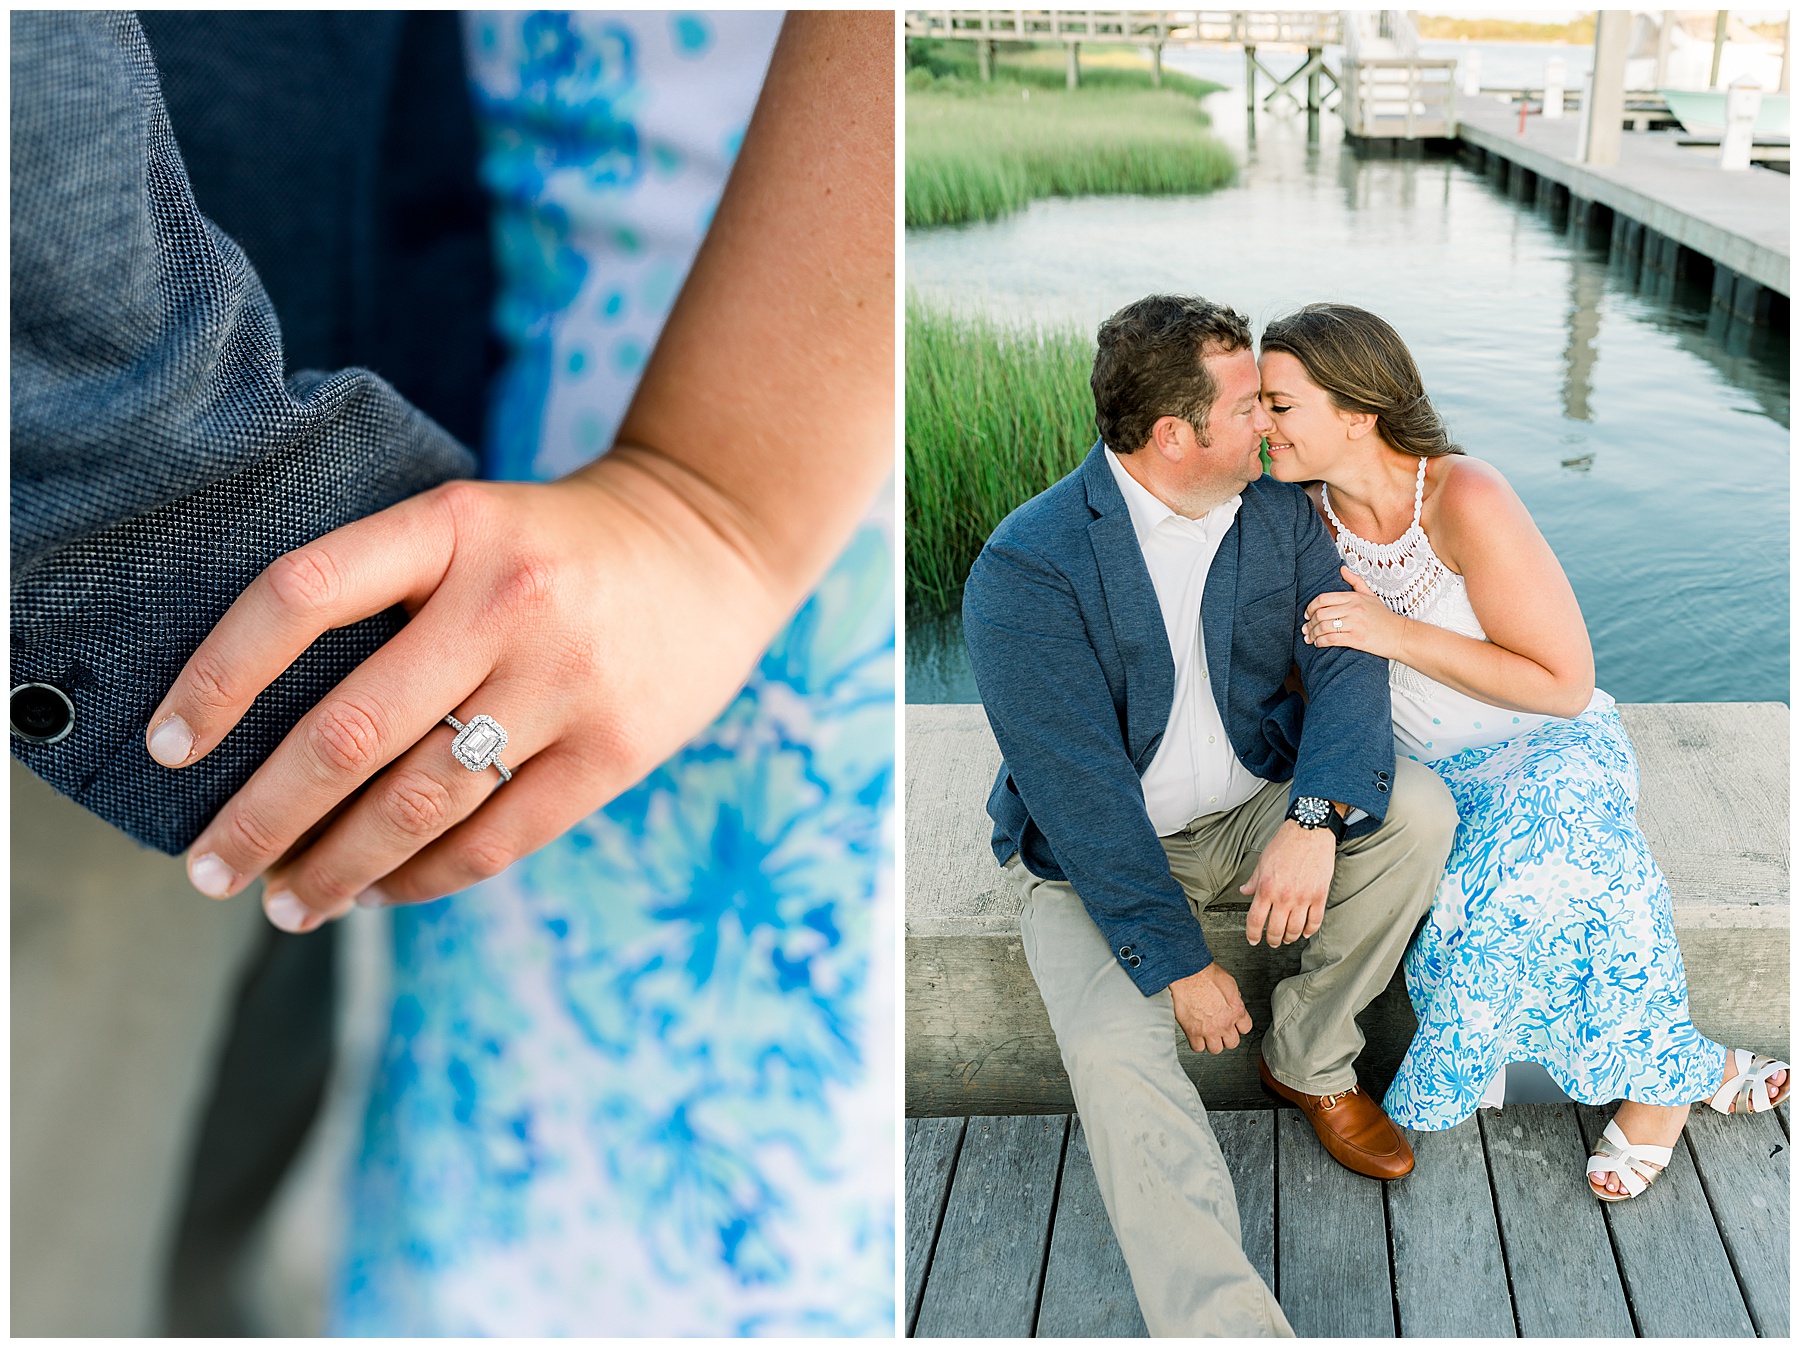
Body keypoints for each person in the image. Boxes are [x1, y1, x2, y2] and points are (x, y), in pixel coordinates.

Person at [961, 294, 1460, 1336]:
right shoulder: (1029, 567)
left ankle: (1310, 1060)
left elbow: (1346, 659)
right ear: (1173, 436)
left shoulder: (1278, 509)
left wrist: (1314, 816)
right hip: (1101, 857)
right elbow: (1079, 793)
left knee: (1416, 809)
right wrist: (1179, 961)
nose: (1270, 427)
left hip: (1251, 804)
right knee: (1112, 1054)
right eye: (1249, 409)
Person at [1257, 302, 1789, 1202]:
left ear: (1356, 413)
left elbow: (1563, 683)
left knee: (1552, 851)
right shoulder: (1293, 516)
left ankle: (1660, 1094)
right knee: (1471, 879)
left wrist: (1396, 636)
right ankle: (1682, 1071)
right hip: (1421, 772)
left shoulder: (1465, 496)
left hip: (1544, 740)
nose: (1258, 424)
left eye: (1278, 405)